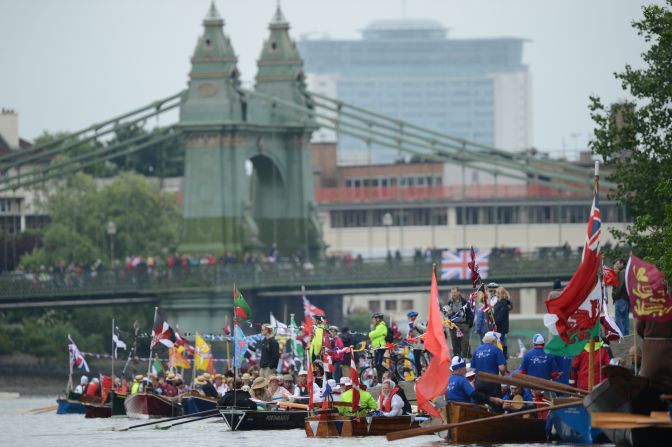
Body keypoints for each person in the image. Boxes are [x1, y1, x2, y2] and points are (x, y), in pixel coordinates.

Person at [471, 331, 507, 400]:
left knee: (482, 404)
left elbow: (473, 369)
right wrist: (503, 375)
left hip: (479, 382)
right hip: (493, 382)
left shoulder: (476, 350)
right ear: (494, 340)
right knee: (496, 404)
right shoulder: (497, 350)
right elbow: (502, 368)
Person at [443, 287, 473, 358]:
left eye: (455, 292)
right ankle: (456, 360)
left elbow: (470, 313)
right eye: (452, 293)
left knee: (465, 344)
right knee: (455, 345)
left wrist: (468, 324)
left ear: (459, 292)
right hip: (453, 326)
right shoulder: (449, 302)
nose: (453, 294)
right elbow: (445, 313)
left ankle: (465, 360)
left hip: (463, 325)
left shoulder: (465, 302)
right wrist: (447, 314)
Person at [493, 286, 513, 358]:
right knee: (502, 342)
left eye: (497, 293)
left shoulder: (503, 303)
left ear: (500, 293)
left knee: (501, 342)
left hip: (501, 327)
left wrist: (493, 321)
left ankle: (503, 356)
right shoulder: (499, 302)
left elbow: (500, 317)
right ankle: (504, 356)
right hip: (500, 327)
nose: (496, 294)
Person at [369, 312, 388, 383]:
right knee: (377, 364)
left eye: (373, 319)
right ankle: (383, 378)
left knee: (378, 364)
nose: (372, 321)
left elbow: (373, 335)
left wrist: (370, 333)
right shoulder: (378, 326)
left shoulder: (381, 326)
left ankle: (381, 381)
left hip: (380, 347)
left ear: (377, 319)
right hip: (377, 347)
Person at [612, 258, 630, 335]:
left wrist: (614, 295)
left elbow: (620, 286)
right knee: (625, 317)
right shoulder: (626, 271)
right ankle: (626, 333)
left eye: (617, 264)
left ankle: (621, 333)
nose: (616, 265)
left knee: (618, 317)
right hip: (626, 298)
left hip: (621, 298)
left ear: (622, 264)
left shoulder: (622, 272)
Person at [406, 311, 426, 375]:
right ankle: (419, 372)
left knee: (417, 359)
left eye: (409, 317)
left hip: (419, 343)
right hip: (416, 343)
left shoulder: (416, 323)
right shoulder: (411, 324)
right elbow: (409, 333)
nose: (408, 318)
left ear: (413, 317)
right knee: (417, 359)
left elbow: (425, 329)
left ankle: (419, 374)